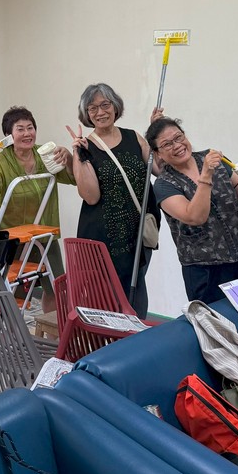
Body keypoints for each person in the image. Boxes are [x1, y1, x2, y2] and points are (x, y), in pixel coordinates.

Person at [147, 116, 238, 304]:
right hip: (205, 270)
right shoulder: (164, 185)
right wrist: (206, 175)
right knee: (217, 320)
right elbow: (195, 217)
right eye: (167, 144)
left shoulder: (212, 158)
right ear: (158, 153)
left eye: (178, 137)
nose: (177, 145)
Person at [66, 83, 154, 318]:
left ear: (115, 107)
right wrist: (79, 155)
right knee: (106, 296)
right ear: (86, 114)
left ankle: (137, 337)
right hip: (104, 238)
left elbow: (158, 169)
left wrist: (157, 133)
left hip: (137, 233)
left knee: (136, 290)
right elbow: (91, 196)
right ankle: (109, 339)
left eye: (105, 105)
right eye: (92, 108)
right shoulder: (85, 147)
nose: (100, 112)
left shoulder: (134, 137)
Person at [0, 106, 75, 313]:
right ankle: (4, 332)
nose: (27, 133)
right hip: (15, 239)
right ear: (9, 135)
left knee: (57, 289)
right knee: (13, 293)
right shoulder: (1, 161)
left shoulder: (44, 154)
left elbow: (73, 178)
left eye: (30, 128)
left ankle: (52, 330)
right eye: (20, 129)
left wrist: (69, 157)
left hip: (45, 235)